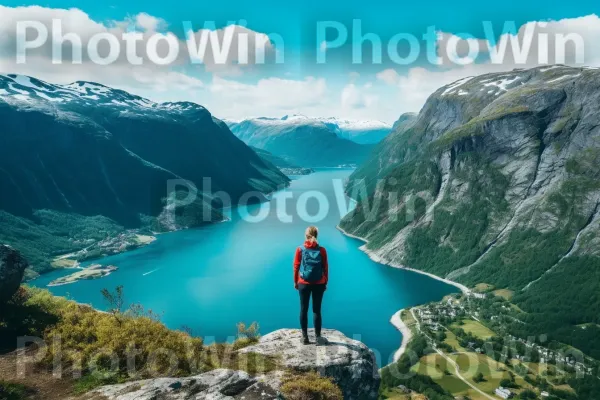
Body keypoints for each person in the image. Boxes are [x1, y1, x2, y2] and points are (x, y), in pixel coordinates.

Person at [293, 226, 328, 345]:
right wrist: (325, 282)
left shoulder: (300, 249)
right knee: (316, 310)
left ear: (305, 235)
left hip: (303, 283)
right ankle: (318, 338)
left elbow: (296, 267)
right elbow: (325, 268)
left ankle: (305, 338)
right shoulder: (322, 250)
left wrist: (295, 281)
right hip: (319, 283)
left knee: (303, 309)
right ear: (316, 235)